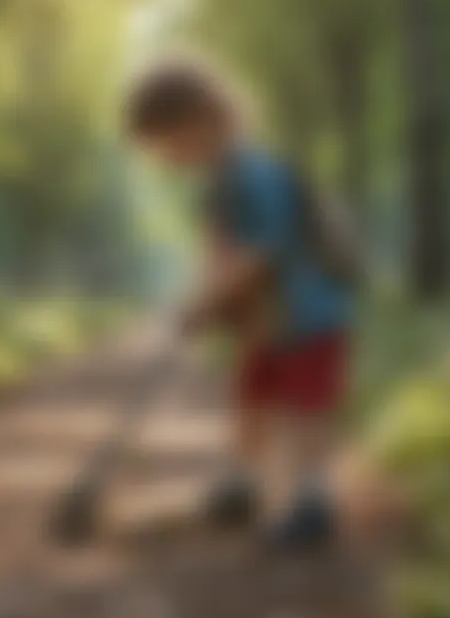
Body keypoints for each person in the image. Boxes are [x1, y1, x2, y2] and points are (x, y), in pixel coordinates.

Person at [124, 58, 355, 551]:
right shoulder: (217, 183)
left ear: (199, 120)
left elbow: (260, 254)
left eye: (167, 143)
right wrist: (200, 302)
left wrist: (207, 300)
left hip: (309, 315)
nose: (165, 158)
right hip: (268, 322)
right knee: (250, 401)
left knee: (300, 411)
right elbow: (217, 254)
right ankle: (242, 487)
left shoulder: (255, 173)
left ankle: (311, 503)